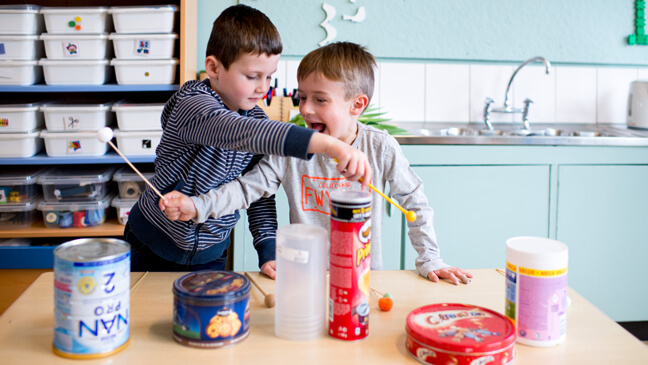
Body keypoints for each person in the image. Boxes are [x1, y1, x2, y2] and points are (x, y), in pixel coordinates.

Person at [160, 42, 472, 284]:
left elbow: (414, 203)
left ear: (357, 104)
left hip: (361, 279)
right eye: (302, 97)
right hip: (301, 277)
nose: (306, 109)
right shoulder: (289, 149)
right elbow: (247, 189)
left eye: (320, 100)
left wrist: (430, 259)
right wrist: (197, 206)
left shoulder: (380, 147)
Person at [124, 5, 371, 274]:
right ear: (214, 68)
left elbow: (258, 194)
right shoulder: (192, 104)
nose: (263, 87)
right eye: (253, 76)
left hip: (212, 252)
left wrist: (267, 250)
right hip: (151, 242)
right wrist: (329, 144)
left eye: (269, 77)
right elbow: (237, 132)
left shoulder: (257, 120)